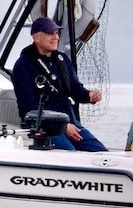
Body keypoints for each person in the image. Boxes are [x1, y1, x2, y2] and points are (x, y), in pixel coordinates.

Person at [12, 17, 107, 152]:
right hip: (43, 127)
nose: (55, 37)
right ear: (37, 37)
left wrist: (89, 95)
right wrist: (62, 127)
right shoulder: (23, 66)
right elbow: (28, 107)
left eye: (57, 33)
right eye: (50, 33)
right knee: (70, 155)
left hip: (70, 123)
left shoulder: (62, 60)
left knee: (101, 154)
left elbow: (74, 88)